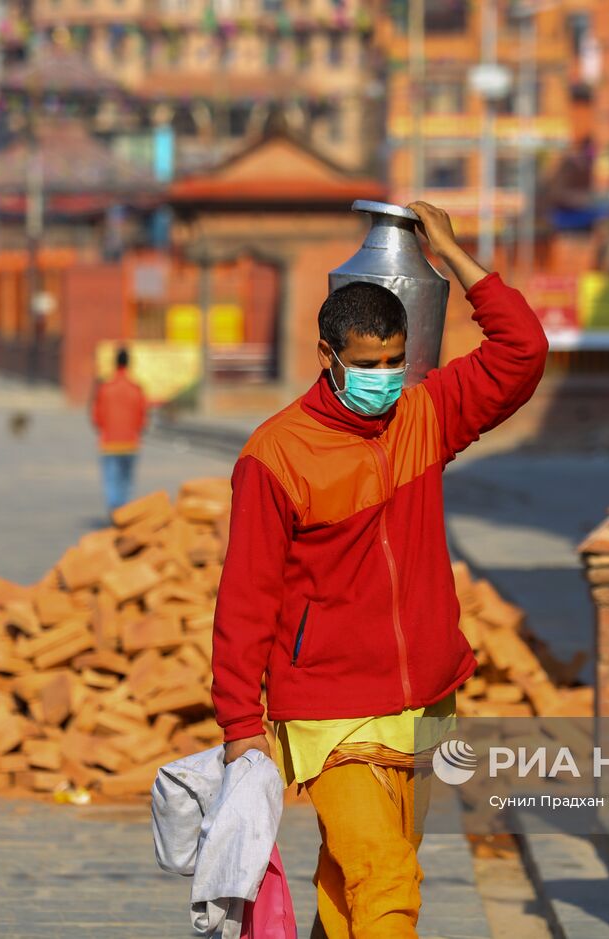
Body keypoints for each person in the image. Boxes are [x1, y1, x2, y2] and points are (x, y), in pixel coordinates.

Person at [212, 201, 549, 939]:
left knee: (350, 886)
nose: (385, 377)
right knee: (388, 881)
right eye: (367, 365)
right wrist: (241, 723)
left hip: (426, 697)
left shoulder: (426, 417)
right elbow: (246, 597)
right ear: (328, 355)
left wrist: (456, 257)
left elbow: (522, 352)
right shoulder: (276, 455)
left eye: (396, 360)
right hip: (330, 706)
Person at [90, 346, 148, 516]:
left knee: (112, 482)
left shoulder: (105, 388)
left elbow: (97, 417)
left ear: (115, 363)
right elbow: (142, 417)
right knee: (126, 482)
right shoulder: (135, 388)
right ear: (129, 363)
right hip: (130, 443)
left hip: (109, 443)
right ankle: (124, 514)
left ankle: (115, 512)